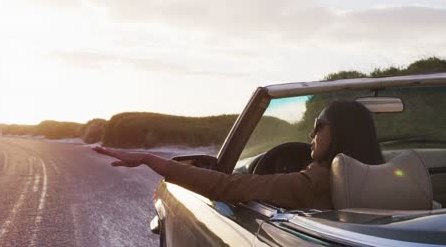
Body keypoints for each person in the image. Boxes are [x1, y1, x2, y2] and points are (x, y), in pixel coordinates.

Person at [93, 100, 384, 210]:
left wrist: (149, 158)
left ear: (342, 134)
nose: (310, 135)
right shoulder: (401, 183)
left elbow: (226, 187)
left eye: (318, 127)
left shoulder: (312, 183)